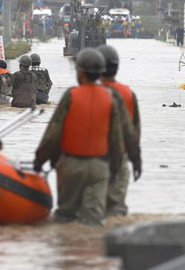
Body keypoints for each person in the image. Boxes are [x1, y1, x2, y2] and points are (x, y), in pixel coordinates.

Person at [33, 48, 126, 226]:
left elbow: (53, 133)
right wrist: (114, 169)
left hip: (71, 166)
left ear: (81, 73)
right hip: (100, 167)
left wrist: (40, 160)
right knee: (93, 221)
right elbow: (116, 138)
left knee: (66, 217)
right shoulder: (110, 97)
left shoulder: (71, 95)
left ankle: (68, 251)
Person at [97, 45, 142, 217]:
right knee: (116, 210)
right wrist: (136, 160)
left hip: (92, 157)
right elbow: (134, 131)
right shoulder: (128, 93)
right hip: (119, 157)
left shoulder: (84, 93)